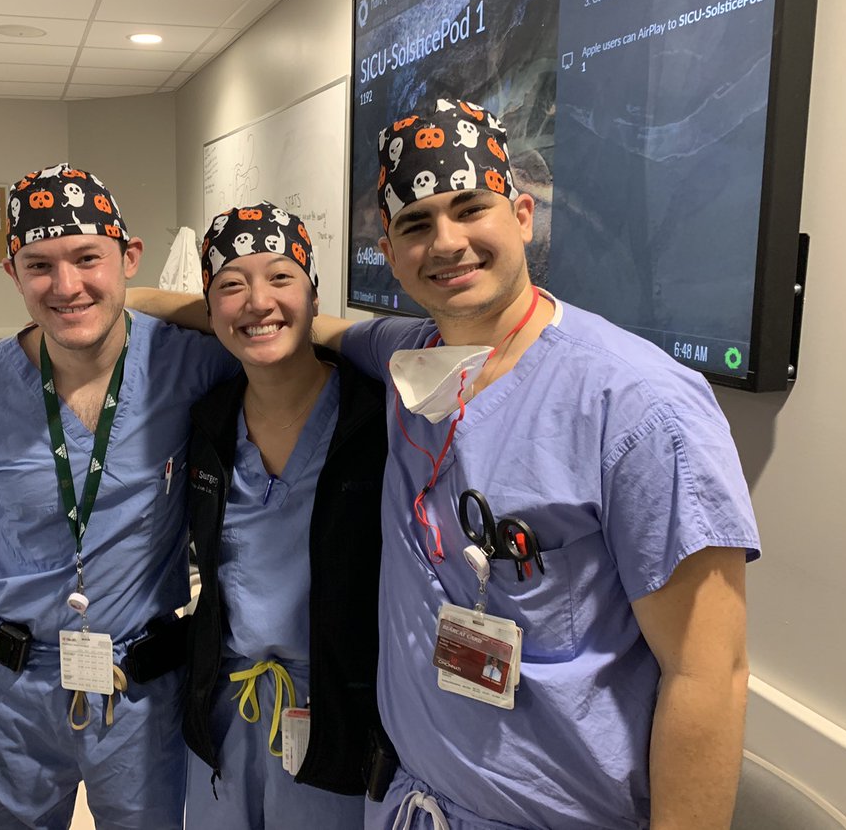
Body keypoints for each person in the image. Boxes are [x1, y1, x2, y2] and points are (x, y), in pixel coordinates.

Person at [129, 98, 759, 829]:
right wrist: (118, 302)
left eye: (470, 209)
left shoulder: (639, 405)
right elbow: (288, 325)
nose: (447, 242)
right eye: (416, 224)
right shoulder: (407, 359)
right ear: (391, 253)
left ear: (524, 215)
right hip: (405, 800)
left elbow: (710, 676)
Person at [0, 163, 234, 830]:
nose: (67, 286)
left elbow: (279, 331)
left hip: (141, 684)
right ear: (12, 273)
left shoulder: (189, 364)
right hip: (13, 687)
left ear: (130, 258)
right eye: (39, 265)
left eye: (87, 259)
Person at [181, 203, 388, 829]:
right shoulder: (208, 422)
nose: (257, 302)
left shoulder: (372, 419)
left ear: (314, 293)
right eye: (231, 285)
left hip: (337, 706)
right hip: (226, 705)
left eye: (279, 277)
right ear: (210, 307)